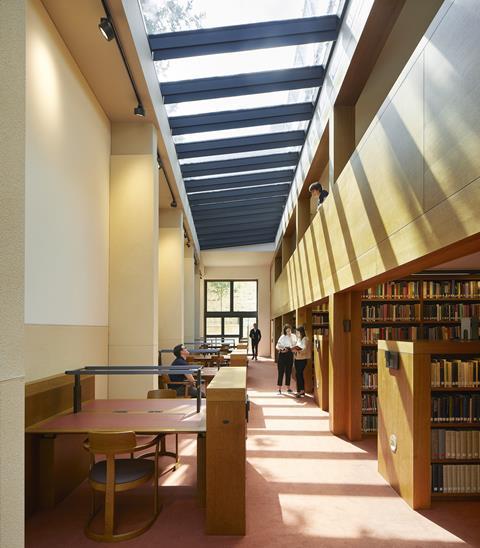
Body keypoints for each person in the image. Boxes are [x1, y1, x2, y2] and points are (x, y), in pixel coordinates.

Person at [275, 324, 297, 395]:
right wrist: (281, 350)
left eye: (289, 331)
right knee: (281, 372)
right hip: (282, 354)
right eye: (287, 331)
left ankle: (288, 388)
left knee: (288, 372)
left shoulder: (293, 336)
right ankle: (279, 389)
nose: (288, 332)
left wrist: (290, 339)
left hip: (290, 354)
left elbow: (295, 345)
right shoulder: (282, 336)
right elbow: (277, 346)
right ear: (285, 331)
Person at [293, 325, 311, 398]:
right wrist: (294, 350)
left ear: (301, 332)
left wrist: (298, 350)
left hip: (302, 359)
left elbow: (305, 349)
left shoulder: (305, 339)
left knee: (299, 374)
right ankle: (300, 391)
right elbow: (297, 347)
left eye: (298, 332)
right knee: (298, 375)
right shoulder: (299, 339)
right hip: (297, 359)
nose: (297, 334)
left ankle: (301, 391)